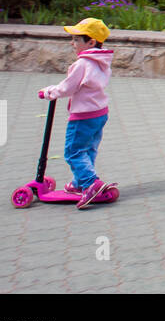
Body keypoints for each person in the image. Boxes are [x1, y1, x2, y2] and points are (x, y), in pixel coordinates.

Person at [38, 17, 115, 209]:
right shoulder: (102, 61)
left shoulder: (82, 64)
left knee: (73, 152)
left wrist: (49, 92)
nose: (72, 43)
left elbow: (67, 88)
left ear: (91, 42)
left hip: (83, 116)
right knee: (88, 149)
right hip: (99, 113)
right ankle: (79, 182)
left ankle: (91, 183)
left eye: (76, 40)